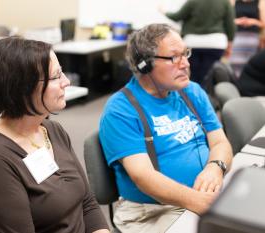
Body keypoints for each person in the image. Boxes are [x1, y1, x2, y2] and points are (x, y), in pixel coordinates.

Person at [99, 24, 233, 233]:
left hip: (205, 194)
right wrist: (197, 201)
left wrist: (215, 167)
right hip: (151, 211)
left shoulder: (192, 91)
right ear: (144, 65)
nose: (185, 64)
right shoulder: (121, 110)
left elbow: (220, 142)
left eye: (185, 54)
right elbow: (143, 177)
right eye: (174, 57)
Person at [0, 36, 110, 233]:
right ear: (23, 87)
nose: (66, 82)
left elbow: (87, 204)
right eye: (56, 77)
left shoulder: (52, 131)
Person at [164, 0, 236, 87]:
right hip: (216, 43)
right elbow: (230, 25)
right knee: (208, 76)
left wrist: (164, 12)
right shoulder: (225, 2)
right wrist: (230, 43)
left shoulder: (192, 1)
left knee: (192, 76)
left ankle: (191, 97)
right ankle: (205, 95)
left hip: (193, 43)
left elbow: (177, 16)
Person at [229, 0, 265, 77]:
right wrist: (238, 21)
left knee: (252, 67)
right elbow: (228, 20)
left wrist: (252, 21)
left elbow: (263, 23)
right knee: (234, 67)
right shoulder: (233, 1)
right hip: (237, 39)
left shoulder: (261, 2)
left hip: (254, 39)